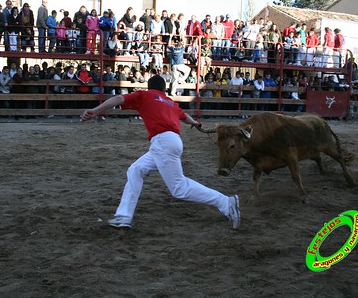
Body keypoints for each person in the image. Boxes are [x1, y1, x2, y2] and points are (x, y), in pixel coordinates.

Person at [80, 75, 240, 230]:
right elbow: (185, 117)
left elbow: (118, 99)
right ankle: (124, 216)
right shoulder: (170, 102)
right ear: (164, 89)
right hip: (171, 142)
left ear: (150, 87)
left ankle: (226, 202)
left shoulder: (145, 95)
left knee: (179, 188)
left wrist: (96, 109)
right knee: (136, 170)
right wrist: (196, 123)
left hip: (163, 143)